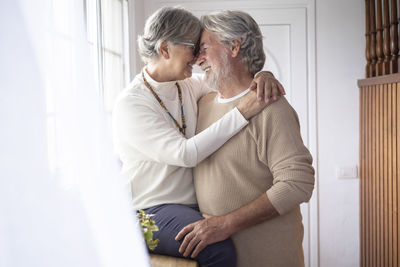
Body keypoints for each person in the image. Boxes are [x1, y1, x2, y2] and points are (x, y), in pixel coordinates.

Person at [112, 6, 284, 267]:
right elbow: (185, 154)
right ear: (165, 49)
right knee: (218, 250)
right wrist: (243, 111)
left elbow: (232, 76)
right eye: (193, 47)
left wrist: (263, 74)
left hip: (187, 206)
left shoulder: (187, 85)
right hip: (150, 210)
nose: (197, 57)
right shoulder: (132, 104)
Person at [175, 10, 315, 267]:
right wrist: (265, 74)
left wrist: (225, 225)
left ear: (234, 46)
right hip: (217, 258)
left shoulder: (271, 107)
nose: (197, 59)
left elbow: (298, 183)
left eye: (204, 48)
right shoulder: (201, 104)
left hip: (269, 258)